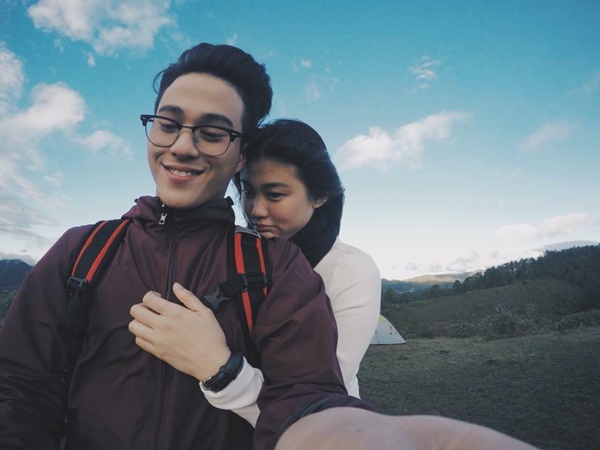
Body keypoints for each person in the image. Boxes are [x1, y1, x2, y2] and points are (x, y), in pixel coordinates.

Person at [0, 42, 368, 450]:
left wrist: (223, 368)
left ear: (241, 156)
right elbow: (18, 388)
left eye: (212, 134)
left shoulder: (276, 265)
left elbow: (310, 401)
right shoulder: (83, 250)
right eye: (168, 124)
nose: (181, 147)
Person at [129, 118, 381, 426]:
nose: (256, 210)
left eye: (275, 195)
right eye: (248, 192)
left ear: (319, 196)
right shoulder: (239, 256)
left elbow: (316, 399)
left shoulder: (351, 270)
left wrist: (217, 367)